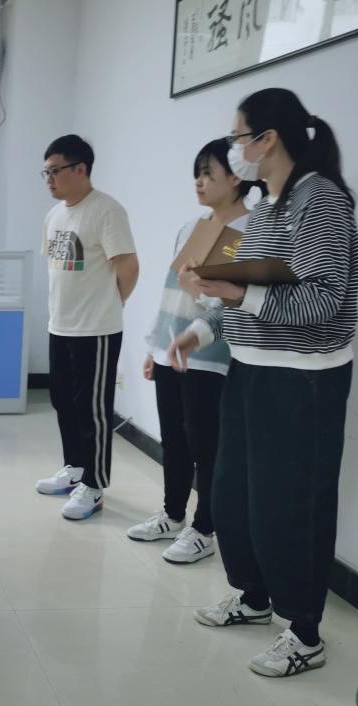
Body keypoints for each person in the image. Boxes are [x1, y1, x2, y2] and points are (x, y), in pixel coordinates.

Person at [168, 88, 358, 677]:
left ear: (266, 139)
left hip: (304, 380)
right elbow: (247, 293)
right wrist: (199, 330)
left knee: (291, 506)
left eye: (236, 137)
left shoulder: (321, 201)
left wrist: (235, 292)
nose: (234, 149)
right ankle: (253, 598)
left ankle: (305, 632)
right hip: (250, 370)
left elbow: (323, 301)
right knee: (235, 495)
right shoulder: (271, 205)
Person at [127, 139, 261, 564]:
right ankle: (172, 515)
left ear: (236, 178)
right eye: (197, 174)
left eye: (208, 174)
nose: (199, 182)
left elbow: (230, 303)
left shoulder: (250, 231)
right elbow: (171, 291)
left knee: (207, 445)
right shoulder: (193, 226)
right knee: (174, 439)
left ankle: (205, 529)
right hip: (171, 348)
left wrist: (196, 290)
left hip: (211, 355)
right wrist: (155, 345)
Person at [34, 135, 139, 520]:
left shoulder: (106, 211)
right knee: (63, 401)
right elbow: (60, 271)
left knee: (93, 410)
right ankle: (75, 469)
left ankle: (94, 486)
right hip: (60, 325)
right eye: (45, 172)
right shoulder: (54, 215)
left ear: (81, 169)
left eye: (55, 171)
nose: (49, 179)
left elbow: (128, 267)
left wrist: (112, 305)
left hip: (96, 329)